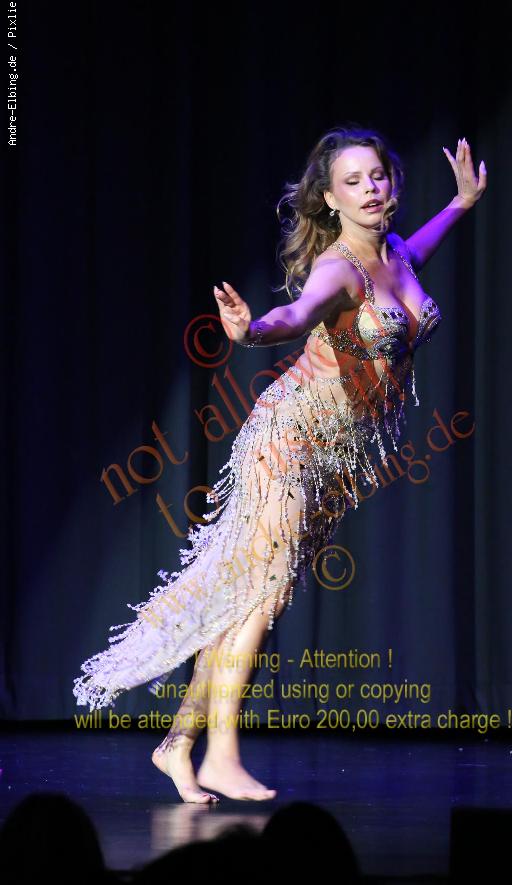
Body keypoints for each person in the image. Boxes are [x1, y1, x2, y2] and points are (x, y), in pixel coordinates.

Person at [73, 125, 487, 802]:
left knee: (253, 595)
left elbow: (419, 248)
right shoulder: (339, 269)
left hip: (336, 459)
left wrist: (460, 204)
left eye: (377, 175)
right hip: (288, 437)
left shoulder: (396, 255)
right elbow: (295, 315)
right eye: (352, 181)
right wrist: (251, 331)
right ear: (330, 199)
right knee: (261, 594)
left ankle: (177, 745)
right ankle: (221, 755)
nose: (370, 188)